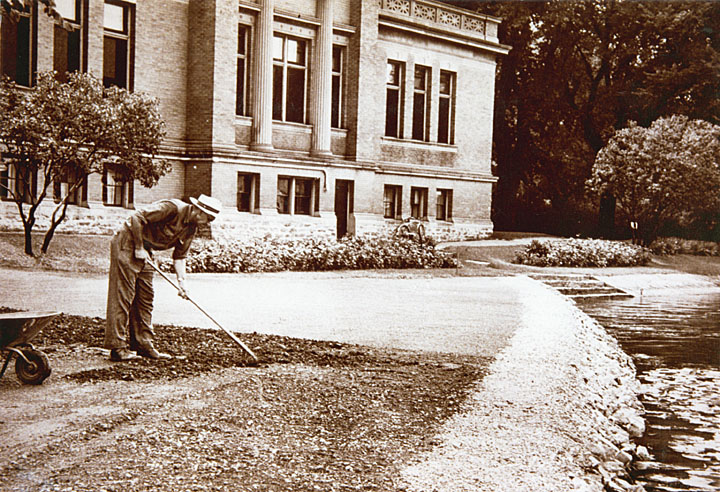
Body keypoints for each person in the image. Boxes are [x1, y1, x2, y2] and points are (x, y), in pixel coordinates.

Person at [104, 194, 221, 361]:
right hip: (128, 242)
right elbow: (136, 217)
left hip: (145, 249)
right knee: (123, 295)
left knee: (146, 296)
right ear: (198, 211)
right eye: (207, 218)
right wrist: (138, 247)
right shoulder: (172, 208)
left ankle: (143, 344)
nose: (207, 222)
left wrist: (182, 283)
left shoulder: (191, 229)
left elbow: (180, 257)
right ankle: (117, 347)